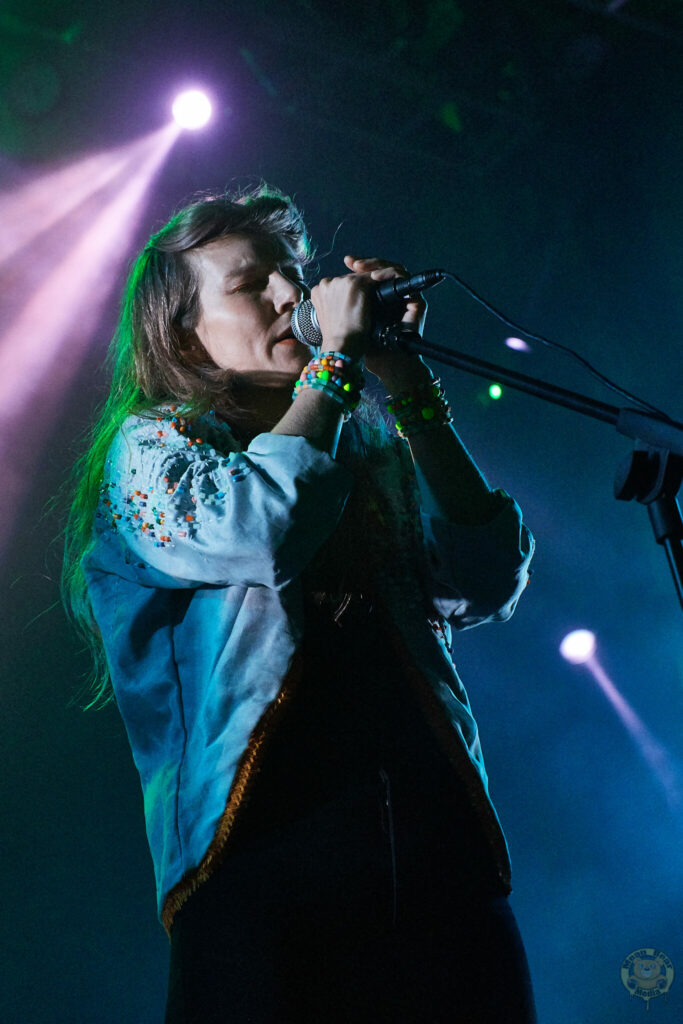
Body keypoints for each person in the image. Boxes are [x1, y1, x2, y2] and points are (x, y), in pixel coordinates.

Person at [63, 185, 537, 1023]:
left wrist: (406, 381)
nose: (291, 294)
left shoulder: (359, 440)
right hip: (261, 870)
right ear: (183, 331)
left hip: (434, 855)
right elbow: (263, 528)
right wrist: (335, 367)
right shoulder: (151, 451)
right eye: (254, 285)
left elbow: (483, 575)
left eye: (292, 273)